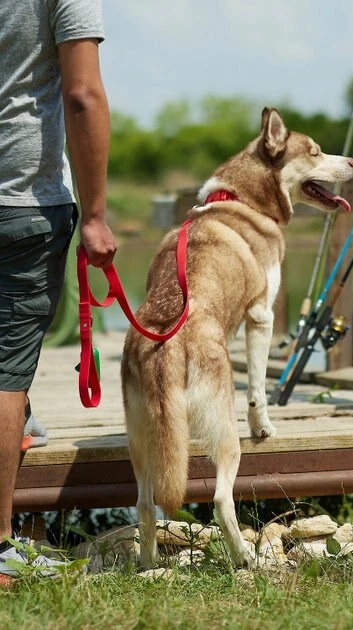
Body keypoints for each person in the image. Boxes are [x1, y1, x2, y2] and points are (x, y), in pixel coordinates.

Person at [0, 0, 117, 580]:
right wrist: (94, 215)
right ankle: (1, 546)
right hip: (21, 199)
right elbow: (82, 95)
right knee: (5, 374)